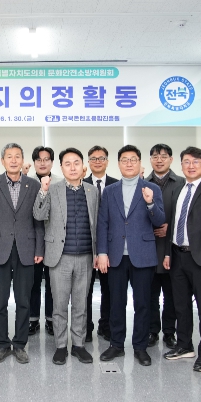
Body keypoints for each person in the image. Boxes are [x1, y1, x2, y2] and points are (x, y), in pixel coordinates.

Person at [0, 143, 45, 364]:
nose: (13, 160)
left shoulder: (33, 185)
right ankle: (3, 344)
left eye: (17, 156)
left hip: (26, 248)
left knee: (24, 300)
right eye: (9, 156)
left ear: (23, 160)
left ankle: (20, 344)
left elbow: (38, 220)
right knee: (0, 301)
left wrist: (39, 248)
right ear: (2, 161)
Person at [97, 145, 165, 366]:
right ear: (118, 164)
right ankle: (116, 344)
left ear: (139, 163)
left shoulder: (152, 188)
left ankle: (140, 347)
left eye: (133, 159)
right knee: (116, 302)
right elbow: (103, 223)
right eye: (124, 160)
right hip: (116, 255)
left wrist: (150, 203)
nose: (129, 163)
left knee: (143, 303)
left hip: (143, 254)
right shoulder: (110, 191)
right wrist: (102, 252)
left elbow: (160, 220)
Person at [33, 147, 100, 365]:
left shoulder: (92, 191)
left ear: (83, 167)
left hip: (85, 257)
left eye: (76, 163)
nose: (72, 167)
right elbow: (38, 215)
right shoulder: (52, 189)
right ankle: (61, 346)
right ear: (61, 167)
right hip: (59, 257)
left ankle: (78, 345)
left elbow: (97, 224)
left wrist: (98, 253)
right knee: (59, 306)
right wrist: (43, 190)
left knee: (81, 305)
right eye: (67, 164)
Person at [162, 146, 201, 373]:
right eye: (187, 162)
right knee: (181, 304)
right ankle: (184, 345)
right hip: (178, 254)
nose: (191, 166)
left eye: (196, 162)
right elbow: (173, 222)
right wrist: (168, 252)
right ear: (181, 165)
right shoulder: (179, 187)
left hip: (200, 256)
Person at [145, 144, 183, 349]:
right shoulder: (143, 184)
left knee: (172, 294)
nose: (159, 160)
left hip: (172, 249)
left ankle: (169, 332)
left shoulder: (182, 183)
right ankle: (152, 330)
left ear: (171, 159)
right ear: (150, 159)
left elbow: (189, 214)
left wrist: (170, 226)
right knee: (150, 294)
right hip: (149, 248)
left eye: (163, 156)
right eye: (155, 156)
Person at [84, 145, 118, 342]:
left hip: (110, 246)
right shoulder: (81, 183)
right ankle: (86, 328)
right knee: (85, 291)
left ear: (107, 161)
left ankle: (106, 326)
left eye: (101, 158)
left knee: (109, 290)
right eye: (94, 158)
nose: (98, 161)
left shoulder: (116, 184)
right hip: (86, 246)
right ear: (88, 162)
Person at [27, 146, 63, 336]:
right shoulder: (27, 182)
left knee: (53, 284)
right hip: (31, 240)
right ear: (34, 162)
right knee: (32, 283)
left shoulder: (60, 182)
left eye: (46, 159)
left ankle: (51, 319)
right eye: (39, 159)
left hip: (53, 240)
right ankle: (32, 319)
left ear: (52, 162)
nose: (43, 163)